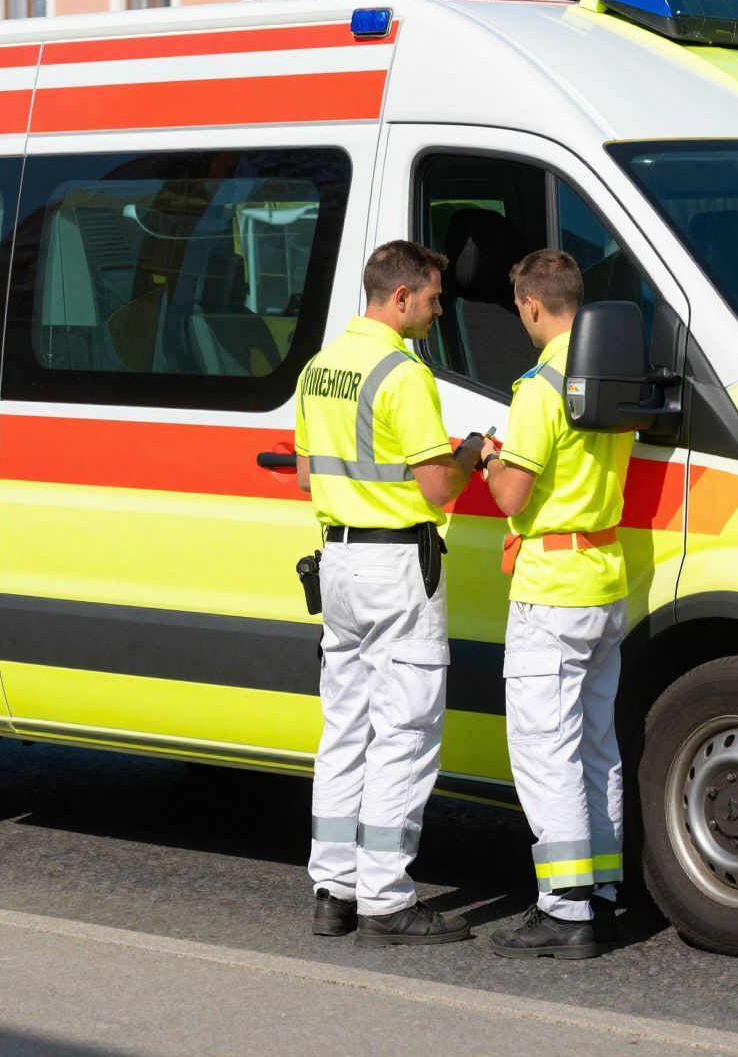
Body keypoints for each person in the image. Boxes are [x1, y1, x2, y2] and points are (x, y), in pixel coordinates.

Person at [294, 239, 483, 946]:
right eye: (432, 299)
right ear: (399, 297)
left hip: (338, 561)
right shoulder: (402, 373)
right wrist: (471, 453)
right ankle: (386, 900)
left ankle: (333, 890)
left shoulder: (319, 369)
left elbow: (310, 475)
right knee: (404, 731)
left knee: (344, 730)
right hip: (398, 566)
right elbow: (437, 487)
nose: (437, 310)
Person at [477, 249, 634, 959]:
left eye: (520, 311)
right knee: (597, 746)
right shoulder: (610, 375)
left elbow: (511, 494)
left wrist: (488, 457)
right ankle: (599, 891)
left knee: (546, 751)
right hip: (605, 574)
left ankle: (565, 911)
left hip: (552, 585)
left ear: (534, 306)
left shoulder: (541, 387)